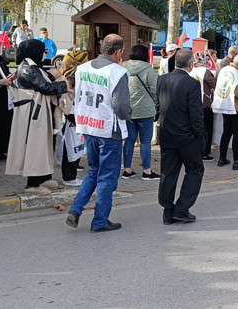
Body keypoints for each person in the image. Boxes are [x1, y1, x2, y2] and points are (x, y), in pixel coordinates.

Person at [66, 34, 132, 232]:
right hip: (108, 130)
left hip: (88, 126)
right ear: (118, 51)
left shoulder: (82, 68)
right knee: (107, 177)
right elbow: (121, 106)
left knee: (94, 170)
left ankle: (76, 210)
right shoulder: (118, 72)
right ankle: (100, 221)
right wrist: (129, 114)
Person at [6, 39, 67, 195]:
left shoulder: (32, 66)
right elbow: (45, 87)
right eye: (43, 51)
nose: (44, 55)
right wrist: (66, 84)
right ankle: (32, 184)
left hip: (36, 112)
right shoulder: (28, 68)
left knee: (43, 145)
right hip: (32, 115)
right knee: (35, 146)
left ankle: (43, 177)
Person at [156, 48, 206, 224]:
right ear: (191, 65)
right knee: (195, 169)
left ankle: (168, 210)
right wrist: (200, 134)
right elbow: (196, 113)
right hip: (187, 136)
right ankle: (182, 208)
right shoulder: (192, 83)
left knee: (168, 172)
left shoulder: (161, 80)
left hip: (167, 133)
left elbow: (158, 106)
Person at [122, 44, 161, 180]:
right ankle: (147, 171)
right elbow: (156, 90)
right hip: (146, 111)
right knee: (145, 142)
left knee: (129, 140)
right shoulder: (148, 70)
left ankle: (127, 169)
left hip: (128, 110)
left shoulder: (122, 68)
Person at [212, 53, 238, 170]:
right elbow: (237, 90)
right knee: (237, 134)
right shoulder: (236, 73)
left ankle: (222, 158)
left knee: (226, 132)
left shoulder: (225, 70)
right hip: (237, 106)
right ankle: (237, 161)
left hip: (225, 104)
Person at [56, 50, 89, 186]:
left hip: (68, 115)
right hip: (73, 115)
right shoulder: (76, 75)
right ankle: (69, 177)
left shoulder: (64, 74)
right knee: (72, 147)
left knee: (72, 146)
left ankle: (71, 175)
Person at [188, 52, 216, 162]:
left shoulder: (191, 71)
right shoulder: (206, 71)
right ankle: (205, 152)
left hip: (193, 103)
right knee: (206, 129)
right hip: (205, 103)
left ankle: (193, 150)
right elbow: (214, 84)